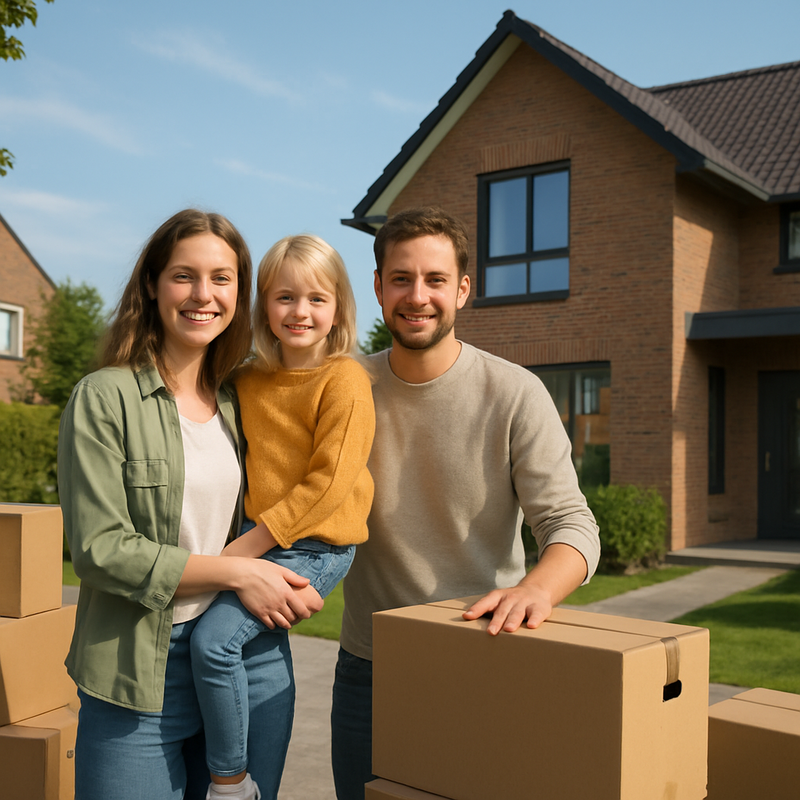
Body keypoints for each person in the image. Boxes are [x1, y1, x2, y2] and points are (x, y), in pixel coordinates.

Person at [330, 206, 602, 799]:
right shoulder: (342, 388)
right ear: (377, 287)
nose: (417, 296)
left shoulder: (515, 393)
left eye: (435, 279)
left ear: (462, 290)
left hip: (484, 655)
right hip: (370, 669)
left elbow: (571, 523)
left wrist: (537, 589)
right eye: (401, 278)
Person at [58, 209, 323, 800]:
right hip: (137, 674)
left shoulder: (239, 398)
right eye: (184, 276)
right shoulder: (104, 397)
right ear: (152, 285)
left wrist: (301, 576)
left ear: (239, 294)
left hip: (246, 657)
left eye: (222, 278)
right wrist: (240, 573)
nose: (204, 294)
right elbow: (100, 551)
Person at [190, 234, 375, 800]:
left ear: (338, 308)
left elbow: (329, 483)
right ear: (264, 306)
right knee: (252, 651)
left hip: (315, 547)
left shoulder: (344, 379)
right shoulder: (246, 380)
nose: (301, 311)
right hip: (257, 540)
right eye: (285, 297)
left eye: (317, 298)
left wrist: (239, 555)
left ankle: (230, 782)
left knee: (215, 643)